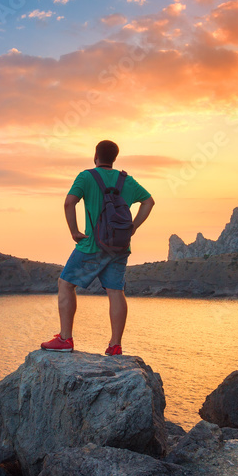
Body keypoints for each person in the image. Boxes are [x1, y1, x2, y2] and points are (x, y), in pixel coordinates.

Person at [41, 140, 154, 356]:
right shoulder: (127, 180)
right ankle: (115, 345)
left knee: (65, 284)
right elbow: (149, 201)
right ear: (114, 158)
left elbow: (68, 203)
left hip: (92, 245)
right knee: (116, 291)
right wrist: (133, 228)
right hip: (120, 246)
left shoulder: (86, 176)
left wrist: (74, 231)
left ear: (96, 156)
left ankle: (65, 339)